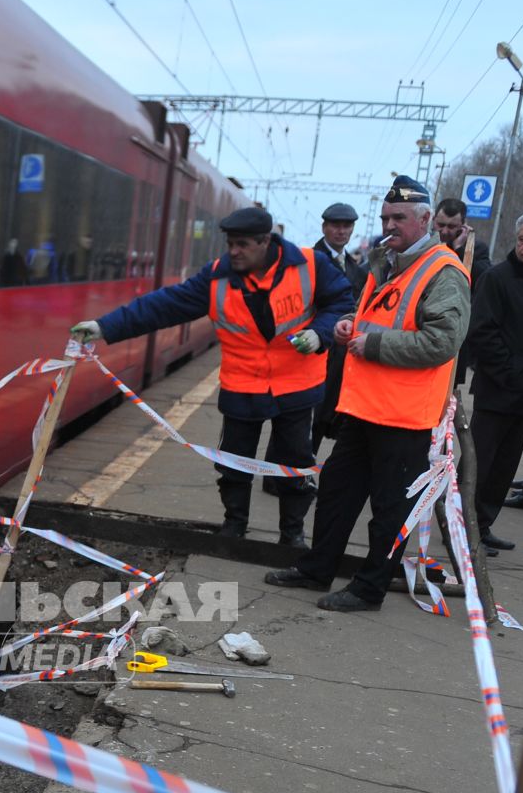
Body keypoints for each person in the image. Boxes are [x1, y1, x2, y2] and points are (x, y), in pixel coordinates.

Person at [69, 206, 354, 546]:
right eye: (230, 243)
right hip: (243, 386)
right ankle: (234, 526)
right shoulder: (218, 277)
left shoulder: (310, 266)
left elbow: (341, 301)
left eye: (242, 244)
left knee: (294, 465)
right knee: (233, 463)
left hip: (296, 385)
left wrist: (321, 333)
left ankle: (291, 535)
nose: (233, 251)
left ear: (265, 242)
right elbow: (164, 305)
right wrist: (104, 326)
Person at [263, 175, 472, 612]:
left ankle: (369, 588)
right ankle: (318, 567)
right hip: (363, 409)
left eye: (398, 218)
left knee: (389, 511)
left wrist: (372, 344)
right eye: (385, 217)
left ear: (425, 220)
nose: (389, 224)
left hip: (404, 417)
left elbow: (442, 343)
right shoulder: (388, 261)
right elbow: (375, 318)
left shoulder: (443, 272)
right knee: (337, 493)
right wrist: (348, 327)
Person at [464, 209, 523, 552]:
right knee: (480, 465)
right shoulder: (498, 278)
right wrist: (510, 374)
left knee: (504, 468)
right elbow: (482, 332)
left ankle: (483, 525)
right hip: (498, 390)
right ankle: (465, 531)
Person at [309, 202, 368, 452]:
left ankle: (302, 468)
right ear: (324, 227)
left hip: (341, 354)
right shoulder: (310, 260)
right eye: (336, 225)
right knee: (301, 415)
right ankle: (279, 475)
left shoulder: (356, 269)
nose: (342, 231)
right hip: (314, 347)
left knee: (324, 414)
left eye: (347, 226)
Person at [433, 198, 491, 286]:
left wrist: (459, 249)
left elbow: (482, 280)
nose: (444, 231)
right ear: (433, 220)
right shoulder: (424, 243)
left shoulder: (478, 249)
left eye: (451, 227)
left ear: (463, 226)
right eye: (441, 225)